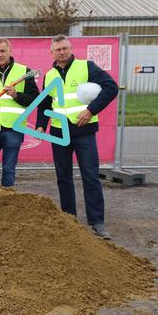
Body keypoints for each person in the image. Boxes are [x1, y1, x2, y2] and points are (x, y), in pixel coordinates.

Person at [36, 34, 118, 240]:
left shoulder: (86, 67)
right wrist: (39, 125)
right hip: (59, 132)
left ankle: (97, 222)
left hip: (84, 131)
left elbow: (111, 88)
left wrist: (90, 110)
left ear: (71, 49)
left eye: (65, 48)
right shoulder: (49, 75)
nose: (62, 52)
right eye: (58, 49)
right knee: (63, 177)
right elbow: (45, 103)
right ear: (51, 53)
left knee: (90, 176)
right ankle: (69, 219)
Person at [0, 38, 39, 187]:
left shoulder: (24, 71)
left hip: (14, 129)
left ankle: (6, 204)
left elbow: (35, 99)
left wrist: (17, 95)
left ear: (10, 51)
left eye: (3, 51)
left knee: (9, 170)